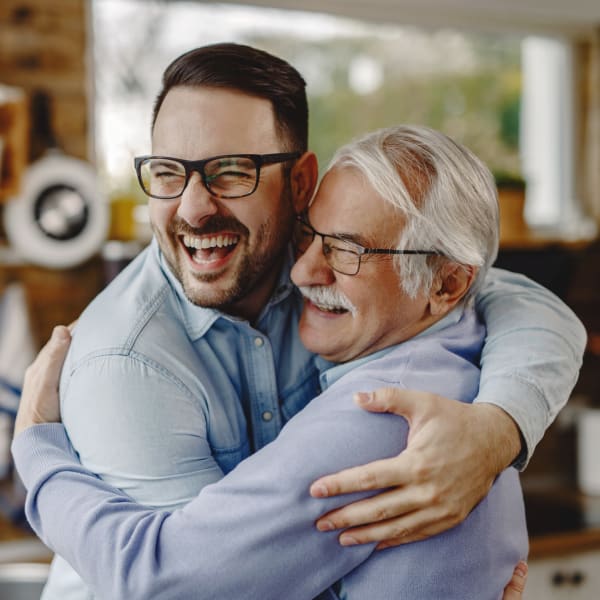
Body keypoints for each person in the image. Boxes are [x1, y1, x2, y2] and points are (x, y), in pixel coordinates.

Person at [13, 43, 584, 597]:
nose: (191, 208)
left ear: (300, 183)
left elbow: (526, 301)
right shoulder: (127, 360)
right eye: (167, 172)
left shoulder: (390, 408)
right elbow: (174, 585)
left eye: (232, 171)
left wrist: (497, 429)